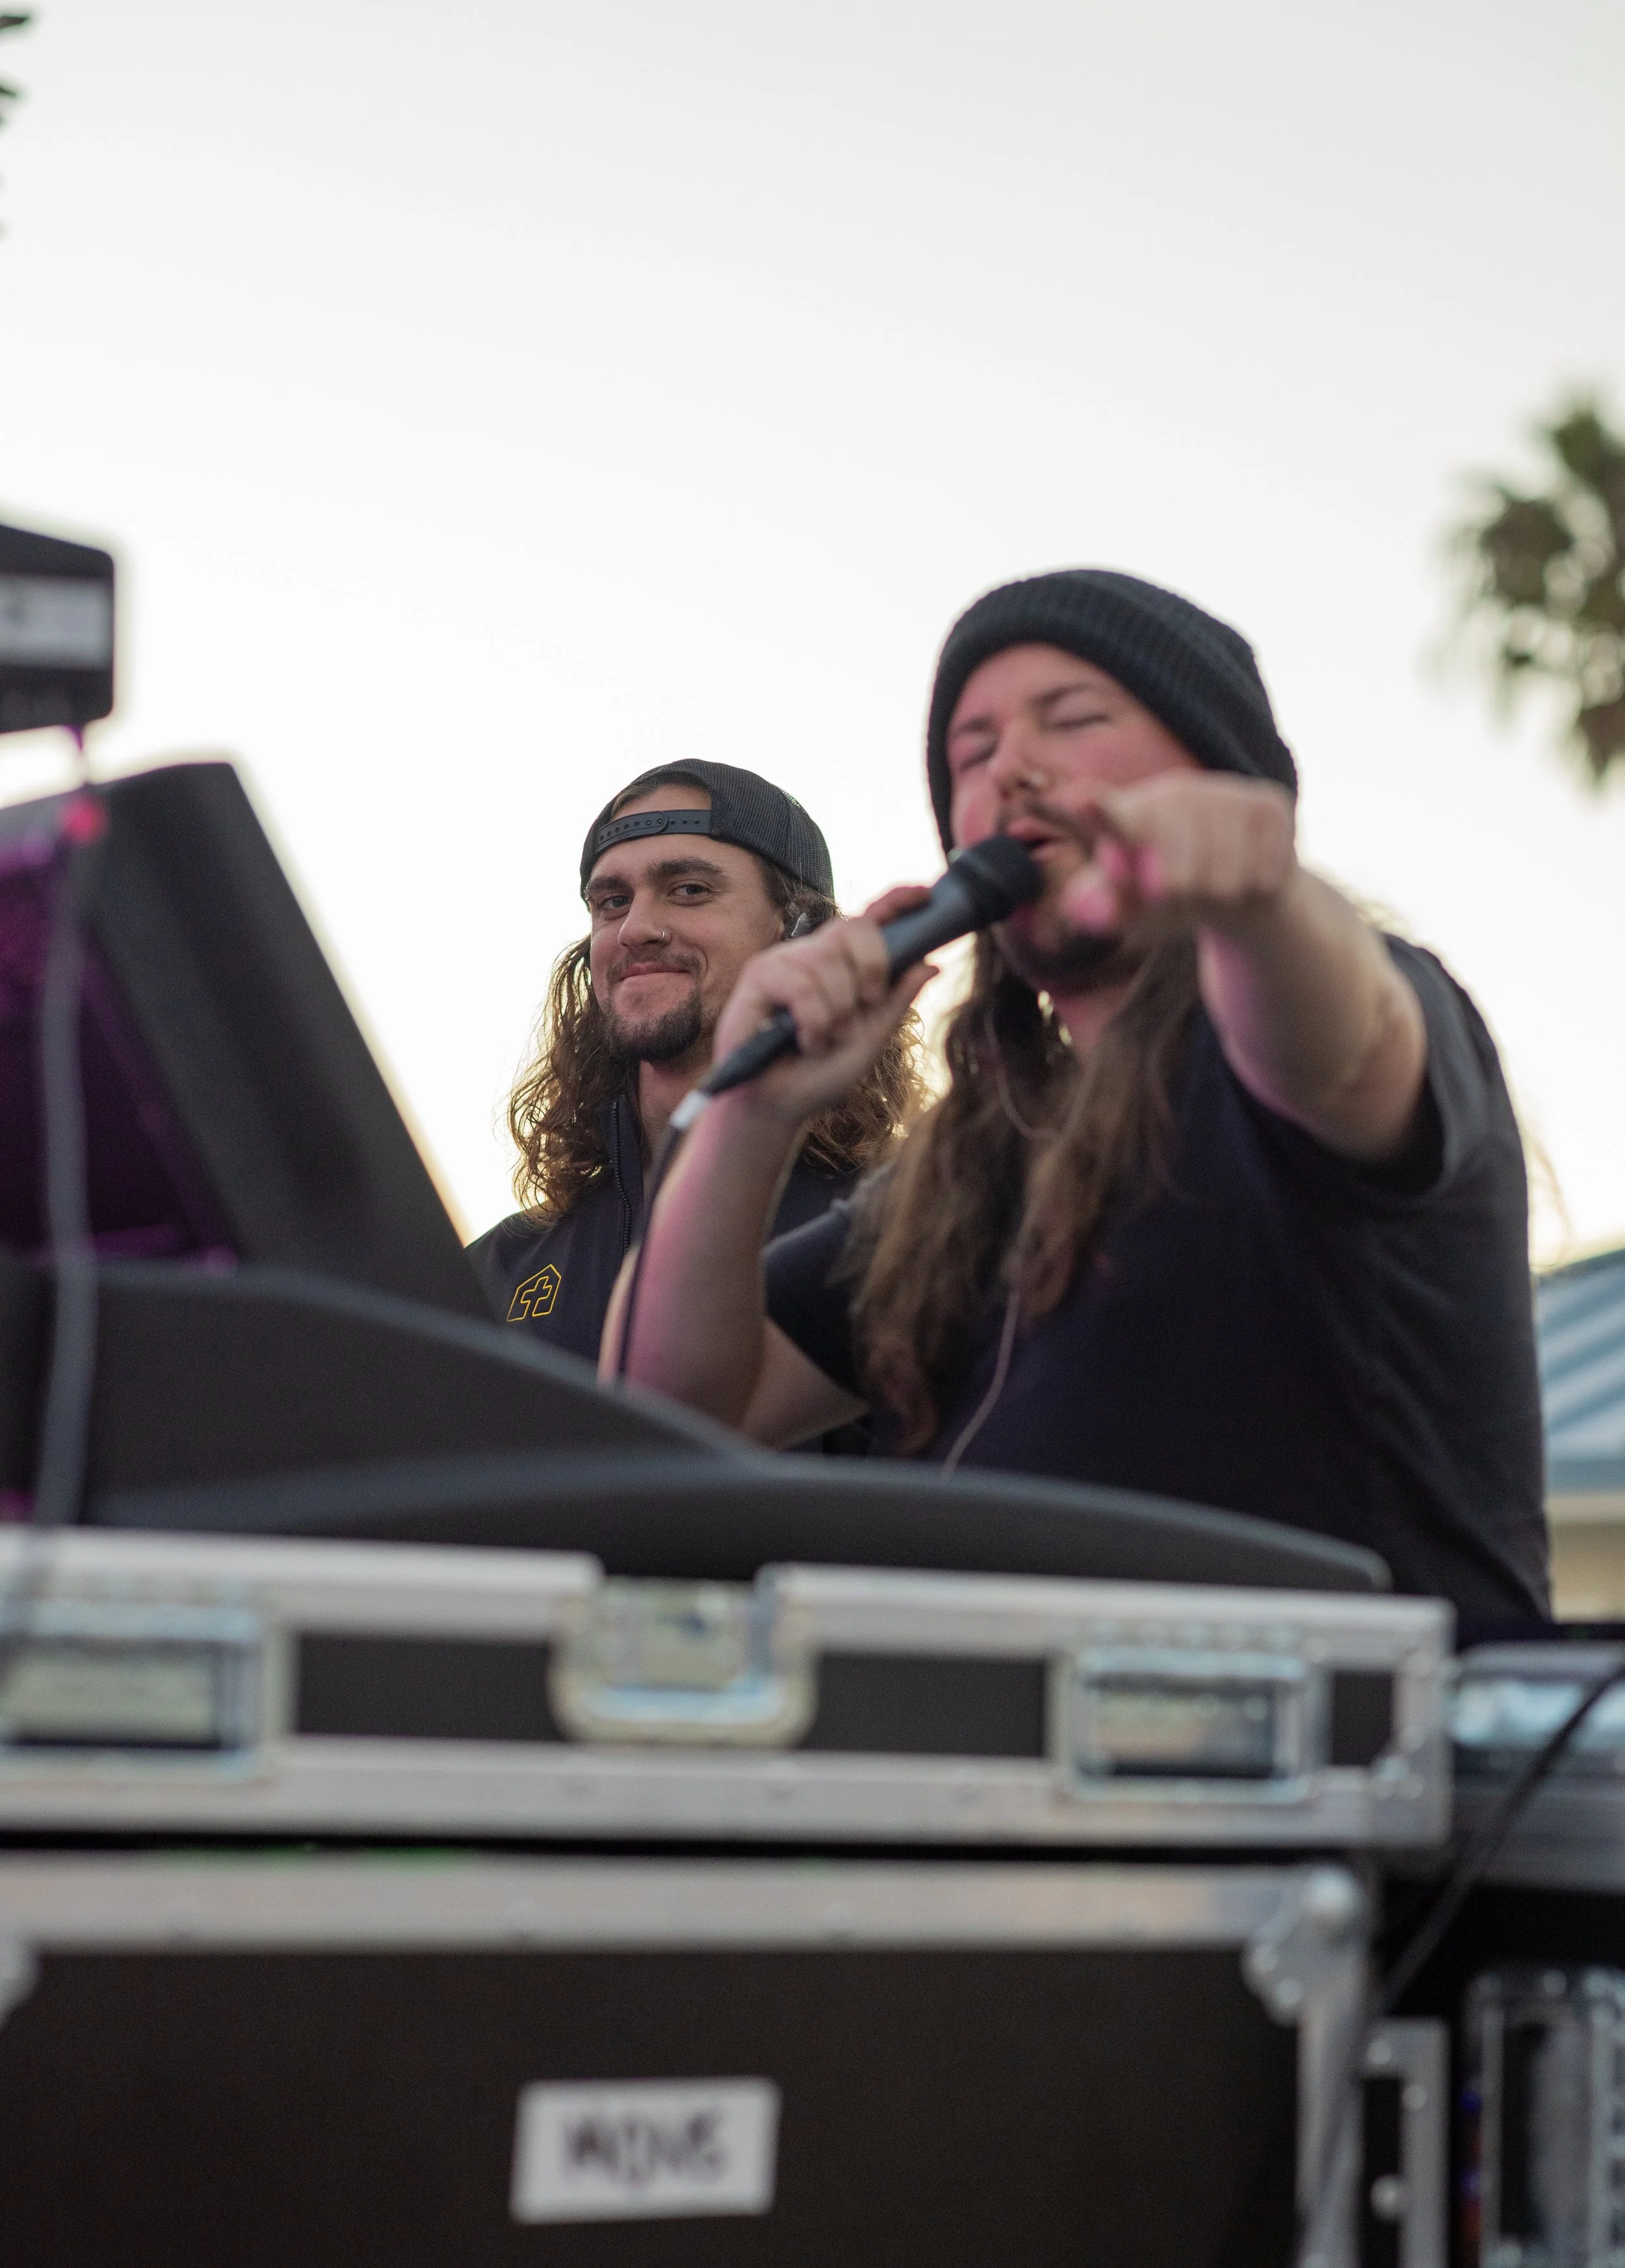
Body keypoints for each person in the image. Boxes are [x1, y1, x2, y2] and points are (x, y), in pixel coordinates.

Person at [610, 571, 1549, 1639]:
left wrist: (1269, 900)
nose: (1012, 767)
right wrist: (753, 1115)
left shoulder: (1351, 1004)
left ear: (1219, 776)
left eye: (1074, 719)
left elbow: (1341, 1044)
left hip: (1380, 1783)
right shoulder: (966, 1176)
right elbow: (668, 1414)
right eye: (972, 753)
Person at [469, 758, 922, 1365]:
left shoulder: (905, 1232)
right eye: (611, 901)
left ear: (801, 931)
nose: (636, 928)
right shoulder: (493, 1272)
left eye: (689, 890)